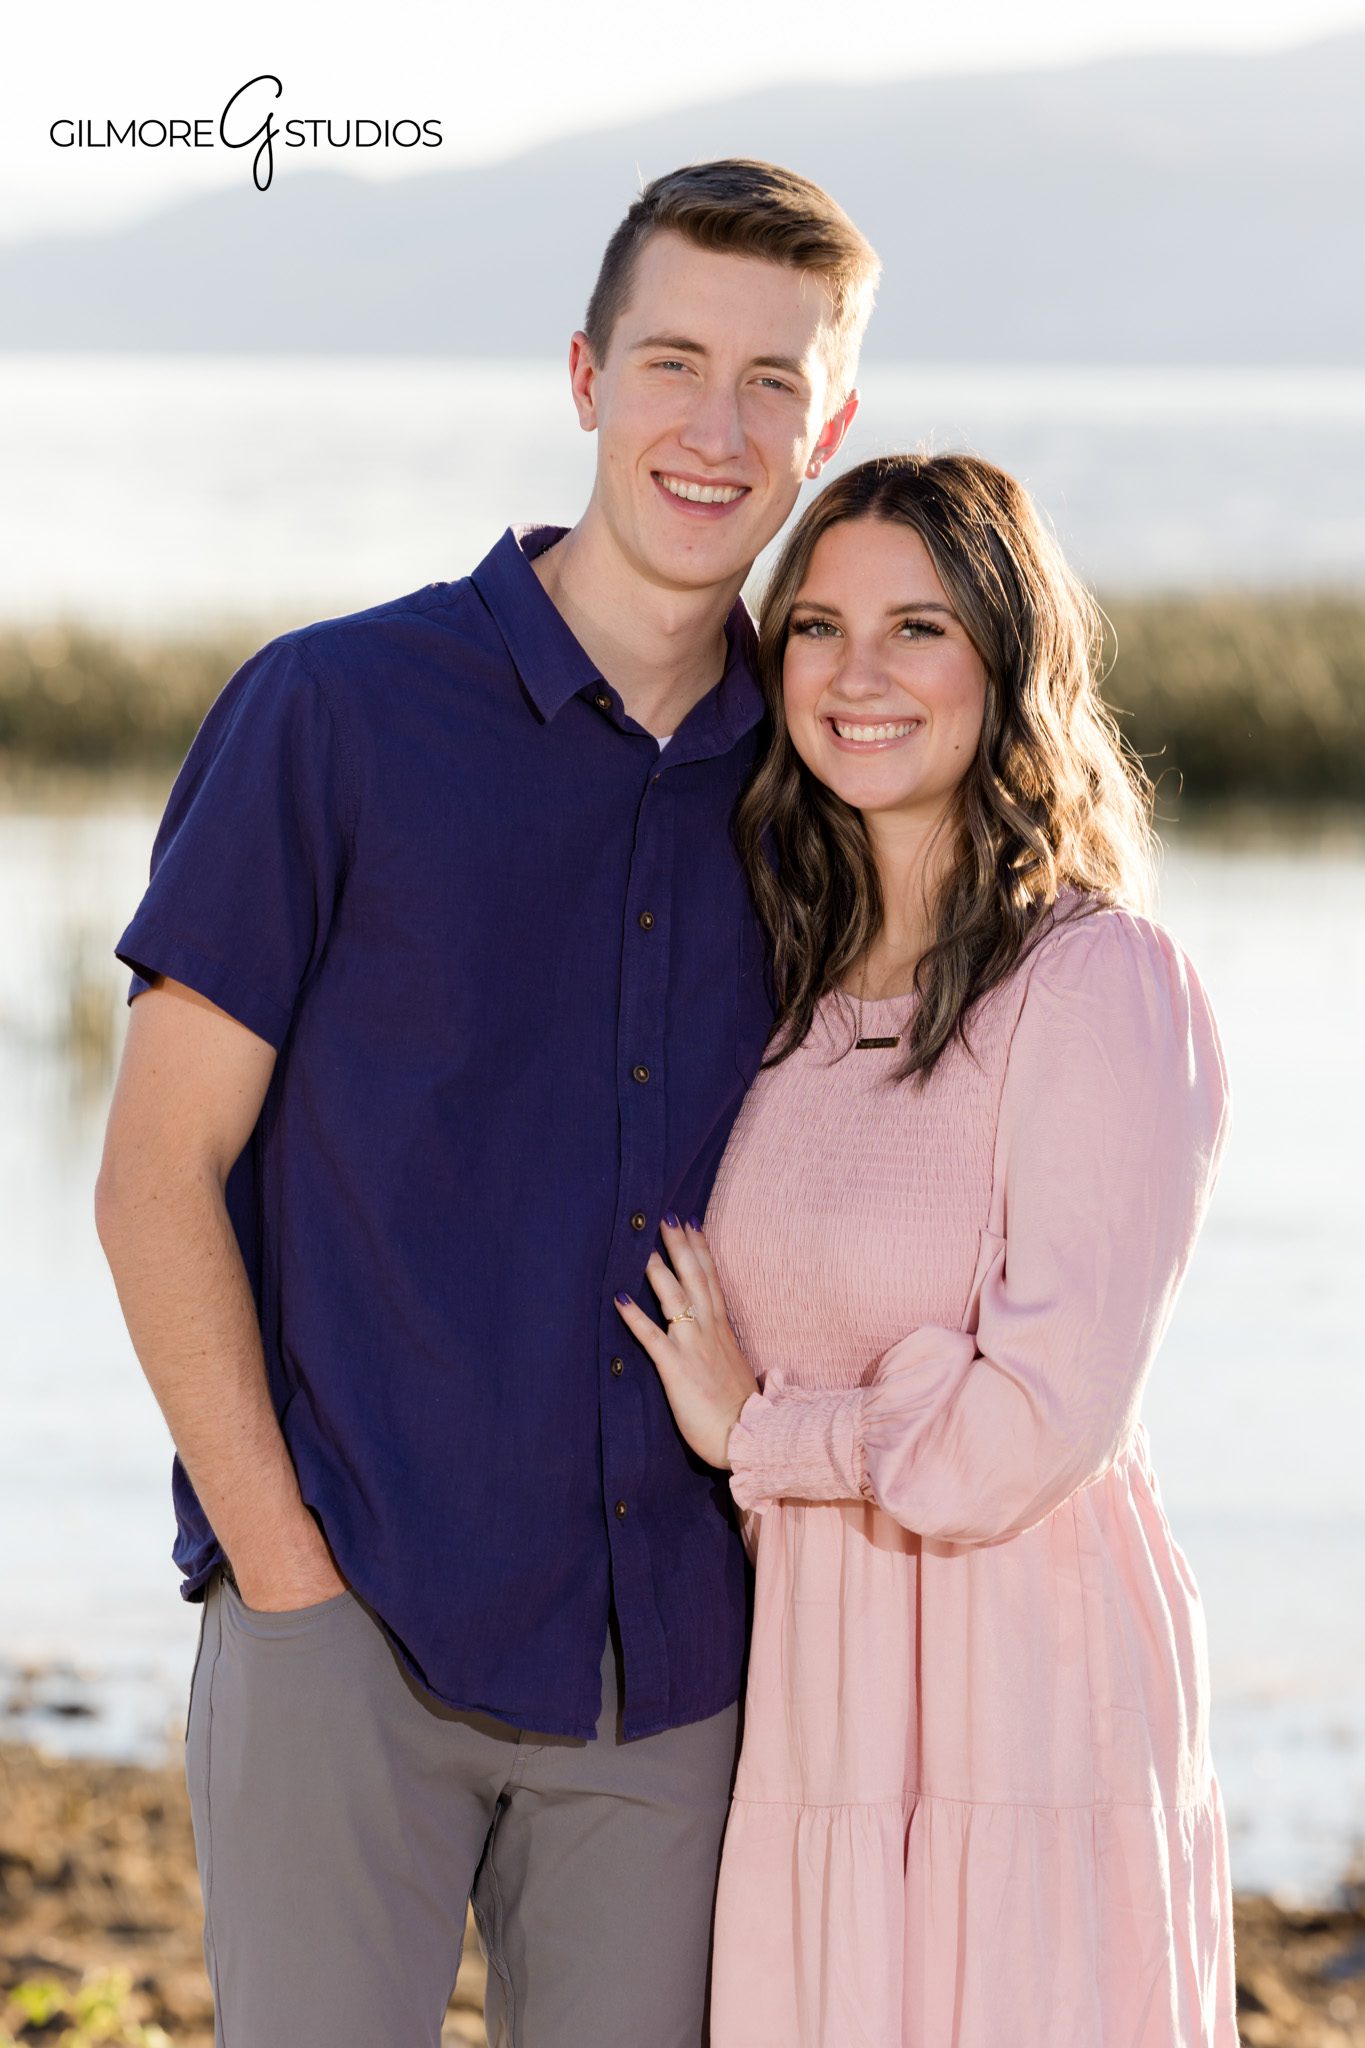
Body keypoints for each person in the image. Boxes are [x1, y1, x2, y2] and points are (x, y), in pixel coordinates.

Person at [94, 160, 878, 2048]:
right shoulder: (336, 713)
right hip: (345, 1615)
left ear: (828, 424)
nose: (717, 426)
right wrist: (283, 1577)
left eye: (773, 381)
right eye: (675, 360)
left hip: (676, 1668)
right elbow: (154, 1176)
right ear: (586, 375)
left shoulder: (826, 777)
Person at [617, 452, 1238, 2047]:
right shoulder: (796, 990)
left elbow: (1031, 1424)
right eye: (816, 627)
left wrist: (764, 1432)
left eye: (918, 628)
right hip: (820, 1688)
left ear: (1006, 663)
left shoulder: (1096, 984)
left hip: (1020, 1687)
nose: (856, 674)